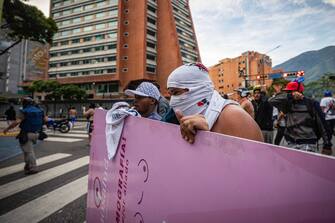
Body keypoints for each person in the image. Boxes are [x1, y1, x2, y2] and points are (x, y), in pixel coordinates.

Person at [166, 63, 263, 144]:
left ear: (197, 89)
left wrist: (207, 138)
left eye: (175, 93)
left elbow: (257, 163)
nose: (171, 102)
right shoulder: (184, 119)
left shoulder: (233, 116)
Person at [269, 81, 332, 155]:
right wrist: (290, 96)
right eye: (288, 92)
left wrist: (327, 145)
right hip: (290, 142)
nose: (288, 93)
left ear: (299, 92)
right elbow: (271, 100)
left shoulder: (311, 103)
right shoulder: (287, 103)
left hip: (307, 143)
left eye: (290, 91)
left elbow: (322, 124)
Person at [3, 97, 45, 175]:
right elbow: (45, 120)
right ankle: (27, 165)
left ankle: (33, 167)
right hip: (37, 134)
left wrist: (7, 129)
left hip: (26, 134)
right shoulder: (40, 110)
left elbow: (17, 122)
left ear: (25, 103)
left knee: (29, 151)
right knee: (27, 151)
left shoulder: (24, 111)